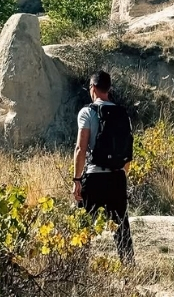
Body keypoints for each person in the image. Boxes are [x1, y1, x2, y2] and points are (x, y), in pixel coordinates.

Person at [72, 70, 134, 264]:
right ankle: (130, 272)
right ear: (109, 89)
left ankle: (77, 269)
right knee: (121, 228)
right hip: (117, 177)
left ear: (92, 88)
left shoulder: (87, 112)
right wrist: (122, 174)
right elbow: (127, 148)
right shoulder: (122, 113)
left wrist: (76, 180)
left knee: (82, 225)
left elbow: (81, 148)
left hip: (94, 177)